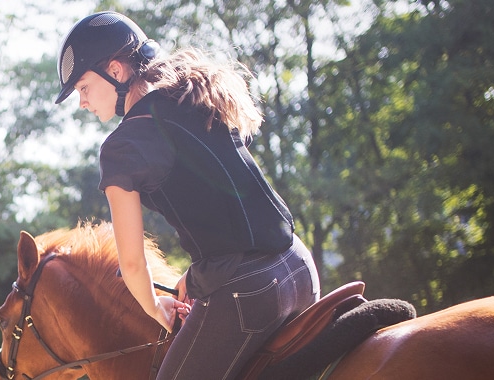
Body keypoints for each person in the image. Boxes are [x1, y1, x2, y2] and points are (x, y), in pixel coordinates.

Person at [54, 11, 321, 380]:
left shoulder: (122, 147)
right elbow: (229, 210)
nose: (82, 102)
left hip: (251, 291)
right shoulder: (195, 99)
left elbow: (132, 266)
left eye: (83, 88)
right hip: (299, 267)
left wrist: (158, 309)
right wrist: (195, 278)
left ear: (115, 71)